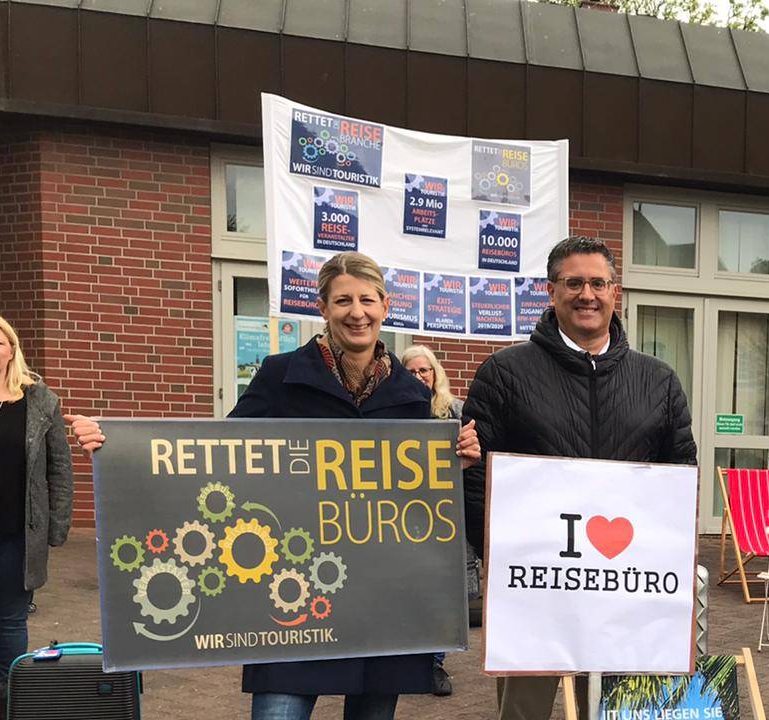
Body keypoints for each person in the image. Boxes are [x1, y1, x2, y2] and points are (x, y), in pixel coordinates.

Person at [68, 253, 481, 720]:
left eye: (367, 300)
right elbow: (216, 453)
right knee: (278, 711)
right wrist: (117, 447)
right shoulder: (280, 375)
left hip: (378, 596)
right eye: (343, 300)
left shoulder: (412, 394)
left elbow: (416, 490)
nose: (356, 312)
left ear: (385, 306)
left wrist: (457, 461)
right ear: (322, 307)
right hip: (295, 586)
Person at [462, 235, 697, 720]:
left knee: (616, 708)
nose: (586, 294)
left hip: (626, 581)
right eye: (573, 283)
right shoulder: (505, 373)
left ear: (617, 292)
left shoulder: (658, 380)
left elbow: (681, 474)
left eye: (598, 283)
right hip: (536, 581)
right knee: (525, 711)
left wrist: (661, 553)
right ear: (551, 292)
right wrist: (503, 553)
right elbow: (475, 475)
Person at [0, 313, 73, 712]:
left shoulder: (40, 400)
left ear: (11, 350)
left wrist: (57, 526)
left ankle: (9, 692)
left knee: (12, 619)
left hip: (21, 529)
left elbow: (59, 467)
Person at [397, 344, 480, 697]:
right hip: (401, 516)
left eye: (424, 370)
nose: (419, 377)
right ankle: (404, 661)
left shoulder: (456, 412)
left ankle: (434, 664)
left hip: (446, 519)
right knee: (407, 590)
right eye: (411, 371)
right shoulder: (391, 412)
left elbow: (477, 460)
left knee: (443, 594)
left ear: (435, 374)